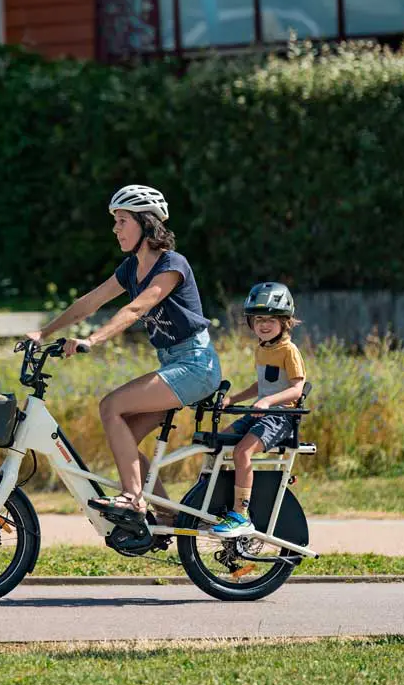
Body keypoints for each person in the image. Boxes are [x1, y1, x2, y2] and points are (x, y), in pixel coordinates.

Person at [25, 184, 221, 528]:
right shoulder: (130, 269)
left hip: (195, 364)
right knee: (124, 430)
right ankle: (166, 513)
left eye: (122, 220)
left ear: (146, 223)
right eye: (115, 221)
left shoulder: (173, 265)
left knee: (110, 406)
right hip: (173, 364)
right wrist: (44, 333)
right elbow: (91, 301)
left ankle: (133, 500)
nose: (115, 229)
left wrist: (93, 340)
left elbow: (136, 308)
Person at [212, 282, 307, 537]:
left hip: (280, 417)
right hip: (260, 412)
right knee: (220, 443)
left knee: (242, 452)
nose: (264, 325)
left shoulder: (289, 350)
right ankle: (215, 499)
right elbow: (262, 385)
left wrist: (268, 402)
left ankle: (241, 515)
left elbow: (297, 390)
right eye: (258, 319)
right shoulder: (262, 349)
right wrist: (234, 399)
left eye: (271, 319)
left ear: (285, 321)